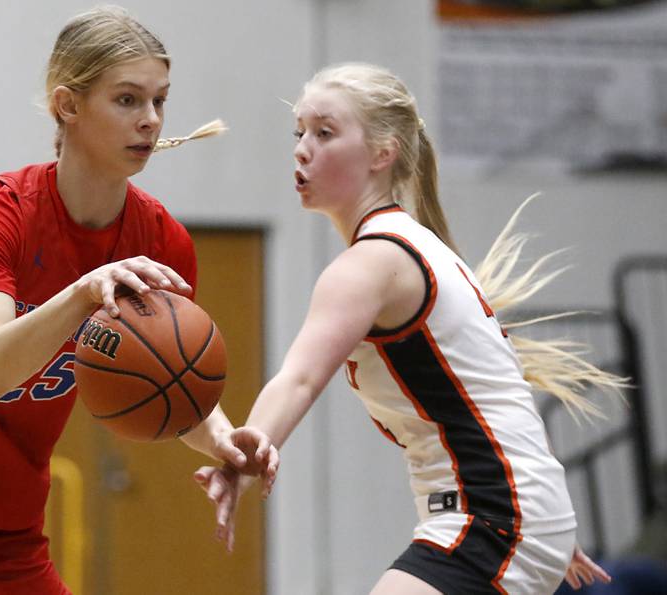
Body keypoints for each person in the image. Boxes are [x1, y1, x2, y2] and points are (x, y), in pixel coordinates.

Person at [0, 6, 273, 594]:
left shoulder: (161, 242)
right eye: (128, 99)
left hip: (2, 522)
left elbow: (172, 377)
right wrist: (84, 292)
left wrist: (224, 440)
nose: (151, 120)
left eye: (159, 100)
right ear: (68, 104)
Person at [194, 63, 625, 594]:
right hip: (507, 512)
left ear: (383, 153)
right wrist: (541, 518)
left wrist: (246, 451)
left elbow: (301, 378)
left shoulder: (375, 261)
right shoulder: (416, 246)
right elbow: (493, 391)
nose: (302, 148)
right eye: (299, 132)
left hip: (490, 517)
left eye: (325, 133)